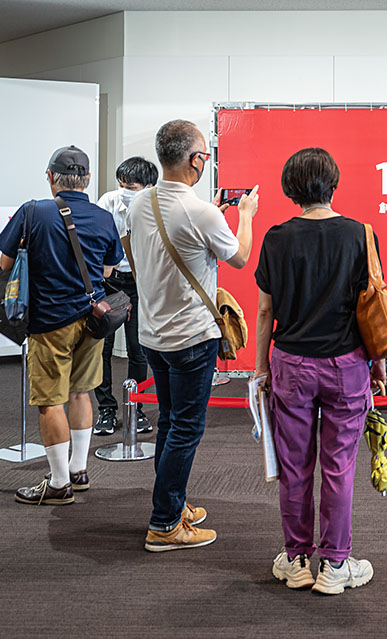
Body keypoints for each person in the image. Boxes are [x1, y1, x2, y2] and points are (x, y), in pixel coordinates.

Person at [254, 147, 386, 595]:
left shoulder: (275, 238)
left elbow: (265, 311)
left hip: (290, 364)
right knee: (338, 467)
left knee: (294, 468)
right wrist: (379, 365)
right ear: (334, 182)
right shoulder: (359, 234)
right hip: (346, 365)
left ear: (291, 188)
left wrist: (259, 369)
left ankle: (296, 561)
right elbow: (374, 307)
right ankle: (334, 565)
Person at [128, 120, 258, 552]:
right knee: (186, 428)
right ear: (195, 160)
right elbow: (239, 257)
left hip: (152, 336)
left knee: (169, 422)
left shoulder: (140, 203)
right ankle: (164, 524)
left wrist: (215, 215)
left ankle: (173, 503)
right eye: (205, 155)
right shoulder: (201, 212)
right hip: (190, 339)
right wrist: (244, 216)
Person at [0, 145, 123, 505]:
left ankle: (58, 483)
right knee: (81, 393)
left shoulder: (32, 211)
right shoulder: (102, 217)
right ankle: (79, 470)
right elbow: (108, 271)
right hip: (93, 320)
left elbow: (6, 265)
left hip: (49, 321)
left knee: (50, 402)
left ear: (51, 178)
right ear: (86, 180)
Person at [93, 157, 159, 436]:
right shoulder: (107, 202)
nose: (124, 190)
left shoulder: (156, 205)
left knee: (137, 348)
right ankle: (106, 410)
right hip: (108, 282)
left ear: (148, 186)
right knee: (102, 348)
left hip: (140, 283)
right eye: (121, 184)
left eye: (130, 186)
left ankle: (136, 409)